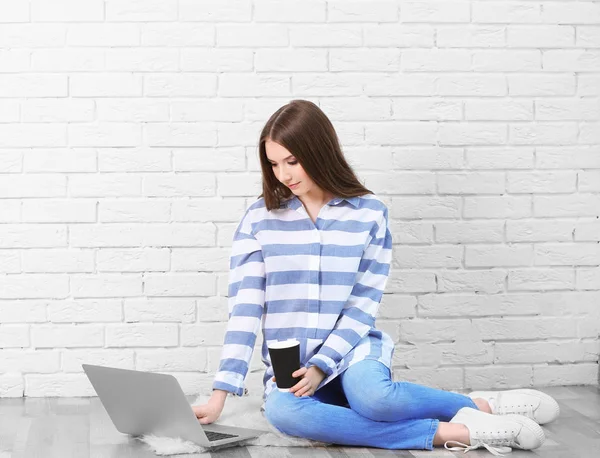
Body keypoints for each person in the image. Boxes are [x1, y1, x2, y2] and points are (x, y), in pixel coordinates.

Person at [192, 100, 559, 454]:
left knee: (376, 399)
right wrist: (220, 395)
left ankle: (480, 405)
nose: (284, 174)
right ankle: (460, 431)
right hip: (293, 364)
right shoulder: (259, 219)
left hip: (352, 349)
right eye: (274, 164)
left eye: (293, 161)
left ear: (320, 152)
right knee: (283, 412)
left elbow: (362, 303)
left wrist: (323, 365)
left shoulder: (369, 213)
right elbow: (245, 309)